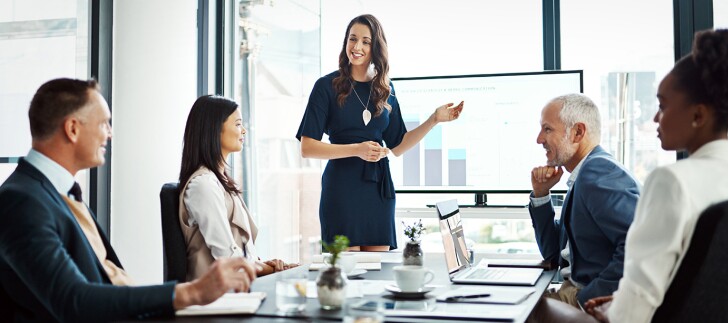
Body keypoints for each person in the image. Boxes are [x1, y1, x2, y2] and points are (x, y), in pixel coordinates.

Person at [0, 79, 257, 322]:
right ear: (73, 129)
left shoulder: (58, 193)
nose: (109, 134)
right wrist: (190, 293)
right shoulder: (21, 201)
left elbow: (104, 281)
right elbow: (72, 300)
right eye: (103, 124)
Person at [582, 29, 728, 322]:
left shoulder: (672, 183)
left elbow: (634, 310)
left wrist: (617, 310)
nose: (655, 118)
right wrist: (623, 303)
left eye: (662, 105)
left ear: (698, 116)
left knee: (538, 308)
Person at [295, 14, 464, 251]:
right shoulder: (326, 86)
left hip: (378, 190)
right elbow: (307, 147)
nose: (357, 47)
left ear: (375, 47)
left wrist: (433, 120)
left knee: (378, 273)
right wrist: (358, 149)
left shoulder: (385, 89)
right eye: (352, 39)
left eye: (365, 41)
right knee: (346, 272)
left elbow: (399, 145)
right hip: (341, 189)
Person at [529, 93, 640, 307]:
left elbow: (638, 243)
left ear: (578, 132)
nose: (539, 139)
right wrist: (541, 194)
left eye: (547, 129)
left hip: (586, 297)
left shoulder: (597, 171)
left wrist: (587, 299)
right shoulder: (583, 176)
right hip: (573, 290)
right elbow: (553, 253)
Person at [178, 95, 298, 281]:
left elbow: (239, 255)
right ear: (215, 129)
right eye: (237, 124)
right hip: (216, 298)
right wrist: (268, 269)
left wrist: (264, 265)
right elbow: (227, 257)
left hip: (236, 290)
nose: (243, 131)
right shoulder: (203, 185)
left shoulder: (219, 182)